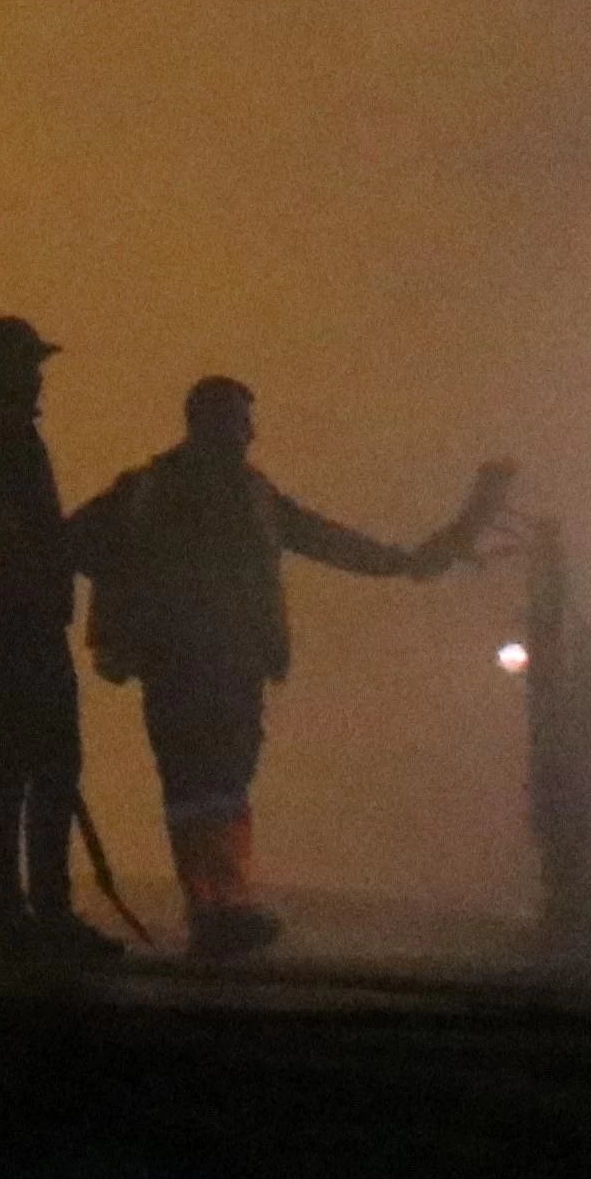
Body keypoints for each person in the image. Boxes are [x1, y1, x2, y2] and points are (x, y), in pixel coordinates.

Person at [74, 380, 513, 961]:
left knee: (206, 782)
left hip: (201, 664)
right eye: (241, 422)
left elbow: (79, 543)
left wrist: (402, 562)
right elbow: (319, 539)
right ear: (215, 424)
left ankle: (215, 903)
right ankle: (219, 904)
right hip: (202, 664)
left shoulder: (169, 491)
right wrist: (405, 563)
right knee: (210, 781)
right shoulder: (197, 493)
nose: (250, 435)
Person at [0, 313, 109, 958]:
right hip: (15, 622)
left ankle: (22, 910)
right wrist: (60, 556)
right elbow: (8, 531)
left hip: (5, 621)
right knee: (44, 765)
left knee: (14, 768)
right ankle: (38, 912)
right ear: (4, 366)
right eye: (31, 364)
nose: (40, 377)